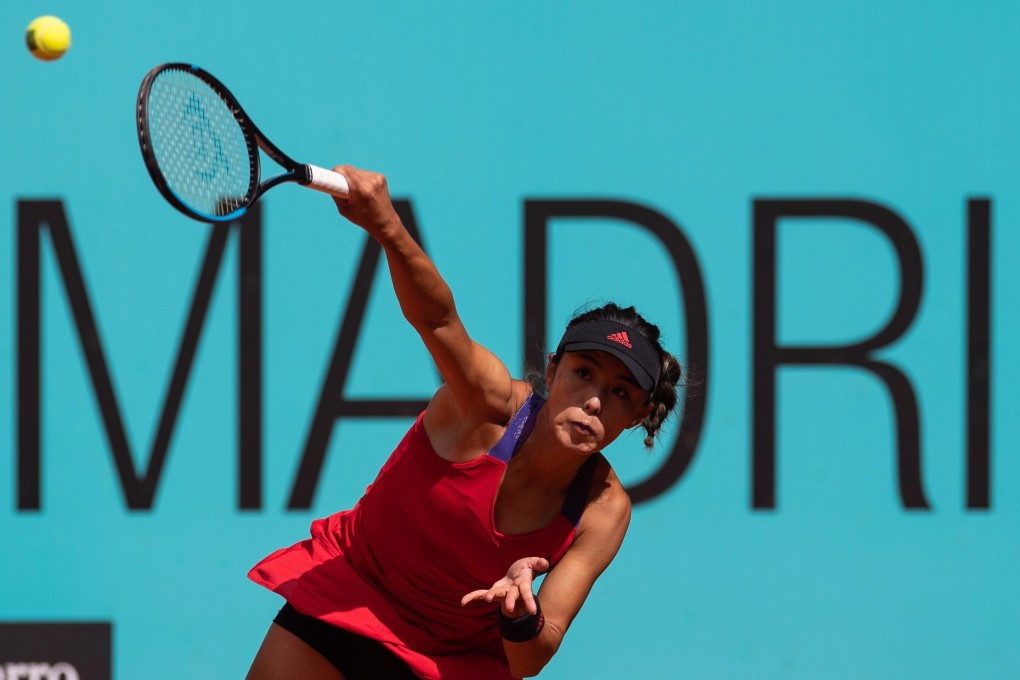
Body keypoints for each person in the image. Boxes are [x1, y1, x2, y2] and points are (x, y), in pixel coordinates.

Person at [245, 166, 684, 680]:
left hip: (449, 665)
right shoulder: (488, 403)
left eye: (619, 393)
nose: (593, 402)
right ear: (552, 370)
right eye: (583, 373)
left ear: (635, 418)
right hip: (348, 596)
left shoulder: (603, 511)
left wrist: (520, 616)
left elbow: (532, 655)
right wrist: (388, 226)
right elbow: (437, 319)